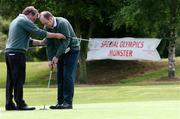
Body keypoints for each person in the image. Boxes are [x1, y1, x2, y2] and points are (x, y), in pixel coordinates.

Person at [5, 6, 65, 111]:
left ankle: (9, 104)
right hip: (17, 53)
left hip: (10, 53)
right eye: (34, 18)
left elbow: (27, 40)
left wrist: (41, 42)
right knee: (19, 79)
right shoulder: (23, 20)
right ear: (30, 14)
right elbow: (38, 32)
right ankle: (20, 104)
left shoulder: (15, 21)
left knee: (11, 80)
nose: (34, 21)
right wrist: (56, 35)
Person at [39, 11, 80, 109]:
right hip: (61, 52)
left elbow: (66, 41)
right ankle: (60, 102)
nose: (45, 26)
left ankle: (67, 103)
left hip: (72, 50)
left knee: (67, 76)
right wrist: (50, 59)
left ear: (51, 18)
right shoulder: (46, 28)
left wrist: (56, 56)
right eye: (43, 24)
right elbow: (49, 45)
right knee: (60, 77)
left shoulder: (63, 23)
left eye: (45, 23)